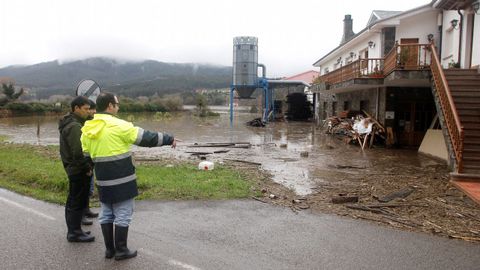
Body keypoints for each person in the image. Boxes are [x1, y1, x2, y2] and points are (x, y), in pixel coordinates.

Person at [81, 92, 177, 260]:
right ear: (110, 106)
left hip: (102, 180)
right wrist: (169, 139)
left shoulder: (88, 128)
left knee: (106, 213)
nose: (118, 107)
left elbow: (87, 156)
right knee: (123, 213)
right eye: (117, 104)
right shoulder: (119, 125)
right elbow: (146, 138)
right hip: (122, 179)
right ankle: (121, 250)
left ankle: (109, 250)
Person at [59, 96, 95, 243]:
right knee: (77, 201)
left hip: (72, 168)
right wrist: (87, 168)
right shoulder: (74, 127)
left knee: (73, 200)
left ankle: (74, 230)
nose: (88, 112)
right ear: (76, 108)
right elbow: (77, 152)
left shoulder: (70, 123)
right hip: (78, 170)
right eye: (86, 109)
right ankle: (74, 233)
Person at [82, 99, 98, 226]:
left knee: (89, 188)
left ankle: (86, 210)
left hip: (90, 162)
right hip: (83, 163)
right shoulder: (82, 124)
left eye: (94, 109)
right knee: (82, 190)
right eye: (91, 109)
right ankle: (81, 215)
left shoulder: (91, 122)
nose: (93, 112)